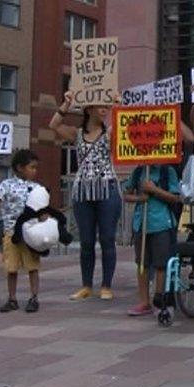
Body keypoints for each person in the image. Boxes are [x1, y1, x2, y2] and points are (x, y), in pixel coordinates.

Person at [49, 91, 122, 301]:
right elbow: (53, 125)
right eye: (101, 106)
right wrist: (66, 104)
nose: (105, 110)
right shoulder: (76, 133)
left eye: (107, 107)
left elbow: (125, 127)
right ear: (89, 109)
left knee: (107, 238)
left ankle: (106, 285)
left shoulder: (109, 132)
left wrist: (118, 107)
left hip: (106, 188)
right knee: (87, 241)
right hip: (83, 191)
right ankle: (86, 285)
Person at [123, 164, 182, 316]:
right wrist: (139, 198)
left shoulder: (167, 171)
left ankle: (159, 298)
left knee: (161, 264)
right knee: (142, 263)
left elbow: (175, 198)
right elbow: (126, 194)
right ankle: (144, 301)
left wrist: (154, 190)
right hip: (141, 223)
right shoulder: (138, 171)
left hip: (161, 223)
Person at [0, 149, 41, 313]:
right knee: (11, 267)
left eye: (35, 167)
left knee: (32, 266)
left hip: (30, 232)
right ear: (19, 167)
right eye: (31, 167)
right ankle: (12, 298)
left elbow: (42, 209)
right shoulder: (6, 185)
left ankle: (34, 297)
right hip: (11, 232)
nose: (34, 171)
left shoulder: (36, 187)